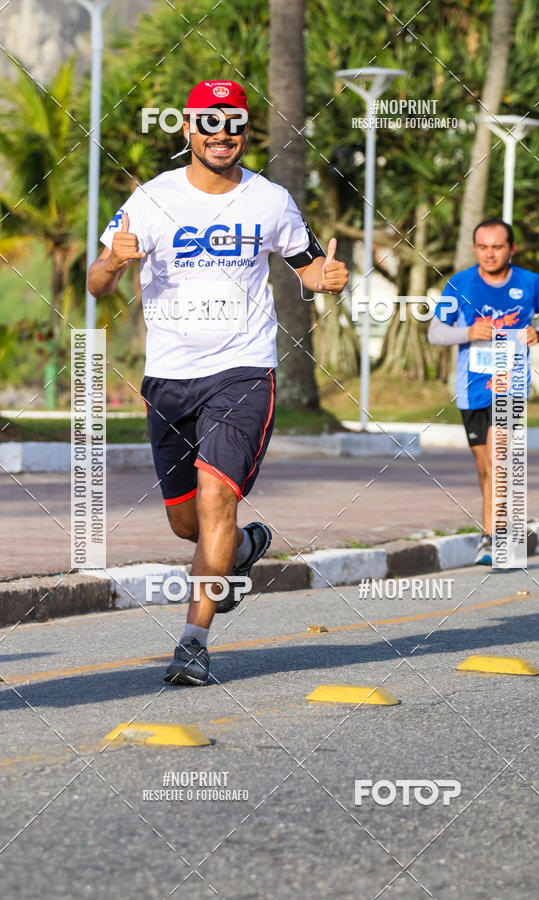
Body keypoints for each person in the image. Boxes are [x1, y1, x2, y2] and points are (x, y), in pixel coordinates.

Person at [88, 80, 348, 684]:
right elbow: (97, 283)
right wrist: (113, 262)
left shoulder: (270, 200)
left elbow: (309, 266)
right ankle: (244, 548)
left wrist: (326, 278)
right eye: (209, 122)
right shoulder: (151, 199)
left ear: (245, 132)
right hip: (169, 378)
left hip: (242, 370)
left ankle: (193, 643)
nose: (221, 134)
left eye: (234, 123)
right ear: (188, 129)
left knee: (216, 500)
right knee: (187, 524)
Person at [427, 218, 539, 565]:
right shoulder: (459, 284)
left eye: (497, 247)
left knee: (498, 458)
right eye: (483, 247)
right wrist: (468, 333)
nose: (489, 254)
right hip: (471, 388)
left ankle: (495, 537)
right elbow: (435, 332)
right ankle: (494, 531)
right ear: (475, 248)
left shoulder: (529, 282)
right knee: (485, 467)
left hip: (511, 385)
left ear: (511, 249)